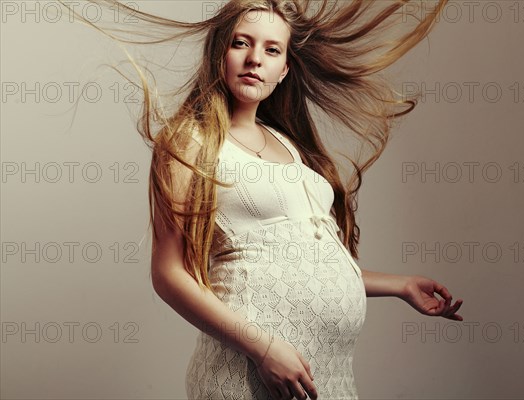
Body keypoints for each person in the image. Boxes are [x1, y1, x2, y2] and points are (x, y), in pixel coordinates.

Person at [64, 0, 463, 399]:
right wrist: (263, 349)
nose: (255, 59)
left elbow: (301, 256)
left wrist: (400, 285)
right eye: (241, 43)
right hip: (252, 372)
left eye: (272, 49)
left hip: (330, 375)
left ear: (284, 68)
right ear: (219, 51)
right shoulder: (190, 141)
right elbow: (168, 274)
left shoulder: (289, 145)